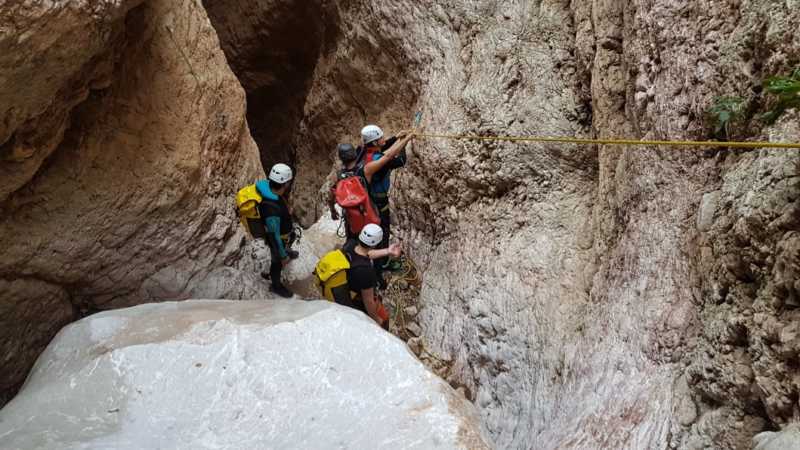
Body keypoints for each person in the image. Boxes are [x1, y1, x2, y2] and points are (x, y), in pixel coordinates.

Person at [358, 126, 415, 285]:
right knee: (381, 235)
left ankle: (379, 263)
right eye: (381, 138)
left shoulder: (362, 152)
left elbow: (383, 147)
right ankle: (379, 272)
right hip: (378, 204)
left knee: (379, 234)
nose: (384, 139)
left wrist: (397, 136)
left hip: (370, 201)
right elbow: (398, 159)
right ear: (375, 142)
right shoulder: (378, 164)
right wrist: (406, 141)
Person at [341, 224, 402, 328]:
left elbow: (367, 254)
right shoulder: (365, 270)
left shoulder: (351, 245)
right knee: (385, 320)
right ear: (375, 244)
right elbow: (368, 301)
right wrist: (377, 320)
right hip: (356, 300)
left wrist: (387, 251)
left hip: (348, 288)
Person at [257, 163, 298, 298]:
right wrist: (282, 255)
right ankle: (276, 285)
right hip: (277, 240)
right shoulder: (270, 208)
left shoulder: (271, 191)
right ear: (285, 183)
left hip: (284, 235)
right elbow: (274, 236)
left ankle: (286, 251)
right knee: (277, 263)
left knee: (283, 250)